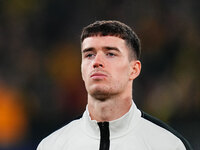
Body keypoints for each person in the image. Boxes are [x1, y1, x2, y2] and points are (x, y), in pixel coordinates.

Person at [37, 20, 193, 150]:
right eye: (89, 54)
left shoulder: (169, 145)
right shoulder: (52, 145)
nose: (96, 62)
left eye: (110, 54)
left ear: (134, 69)